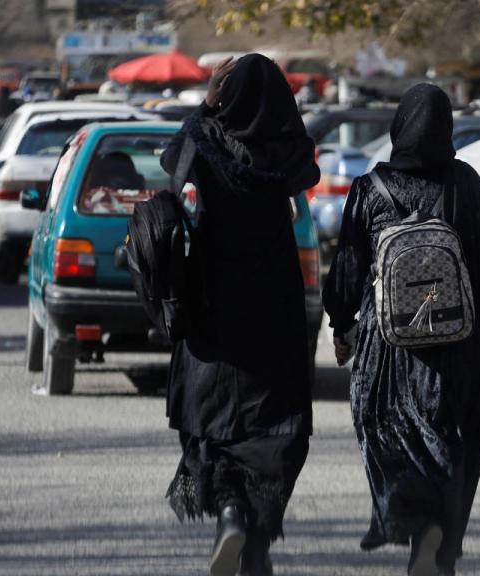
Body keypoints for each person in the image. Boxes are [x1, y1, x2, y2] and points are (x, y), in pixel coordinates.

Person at [323, 83, 480, 576]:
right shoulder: (468, 185)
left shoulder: (371, 189)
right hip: (459, 347)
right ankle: (440, 542)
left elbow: (347, 271)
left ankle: (418, 529)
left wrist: (342, 325)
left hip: (389, 351)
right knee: (454, 445)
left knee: (393, 438)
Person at [160, 54, 320, 576]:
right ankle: (256, 544)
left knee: (211, 418)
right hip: (274, 301)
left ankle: (230, 511)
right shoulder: (287, 152)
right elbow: (308, 167)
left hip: (213, 300)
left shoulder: (209, 142)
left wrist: (206, 107)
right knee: (276, 424)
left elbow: (173, 159)